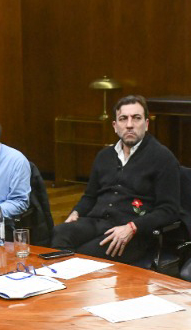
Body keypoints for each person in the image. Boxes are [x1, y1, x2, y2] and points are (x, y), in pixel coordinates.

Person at [51, 95, 181, 264]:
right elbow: (90, 196)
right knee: (58, 235)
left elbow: (169, 210)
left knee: (84, 257)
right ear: (115, 126)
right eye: (123, 119)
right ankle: (61, 287)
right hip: (96, 221)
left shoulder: (163, 158)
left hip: (133, 231)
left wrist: (133, 227)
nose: (129, 125)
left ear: (147, 124)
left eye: (136, 118)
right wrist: (76, 212)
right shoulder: (104, 156)